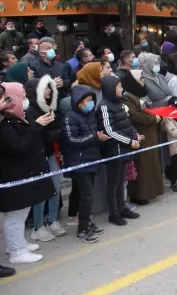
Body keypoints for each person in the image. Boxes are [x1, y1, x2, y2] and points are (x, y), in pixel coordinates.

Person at [0, 82, 56, 264]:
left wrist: (41, 124)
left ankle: (17, 243)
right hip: (13, 174)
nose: (24, 100)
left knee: (20, 213)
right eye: (21, 96)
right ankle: (17, 252)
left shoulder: (18, 117)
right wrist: (36, 126)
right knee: (15, 216)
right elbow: (19, 146)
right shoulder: (4, 123)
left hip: (23, 172)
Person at [59, 85, 108, 243]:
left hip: (91, 159)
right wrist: (95, 138)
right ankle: (82, 230)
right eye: (87, 101)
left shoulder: (90, 115)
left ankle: (87, 223)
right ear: (78, 102)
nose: (90, 103)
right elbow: (72, 140)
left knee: (87, 196)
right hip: (79, 163)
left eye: (91, 100)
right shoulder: (69, 118)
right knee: (86, 196)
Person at [24, 75, 66, 241]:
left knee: (55, 189)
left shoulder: (49, 108)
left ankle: (53, 221)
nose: (49, 91)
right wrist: (56, 133)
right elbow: (35, 137)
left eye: (50, 87)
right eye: (45, 88)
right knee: (41, 193)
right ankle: (38, 226)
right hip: (38, 157)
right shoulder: (30, 112)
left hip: (51, 154)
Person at [95, 76, 141, 226]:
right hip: (114, 151)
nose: (122, 89)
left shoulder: (120, 103)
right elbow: (109, 131)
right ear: (111, 88)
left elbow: (128, 123)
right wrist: (129, 141)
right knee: (113, 182)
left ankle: (122, 207)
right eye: (119, 86)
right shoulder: (104, 106)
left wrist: (135, 137)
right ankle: (113, 213)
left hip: (125, 149)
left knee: (122, 181)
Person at [121, 69, 164, 204]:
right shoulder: (128, 97)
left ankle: (151, 191)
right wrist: (153, 118)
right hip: (141, 133)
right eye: (140, 79)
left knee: (150, 164)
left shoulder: (140, 95)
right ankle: (140, 195)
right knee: (143, 165)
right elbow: (135, 115)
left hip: (148, 133)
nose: (142, 81)